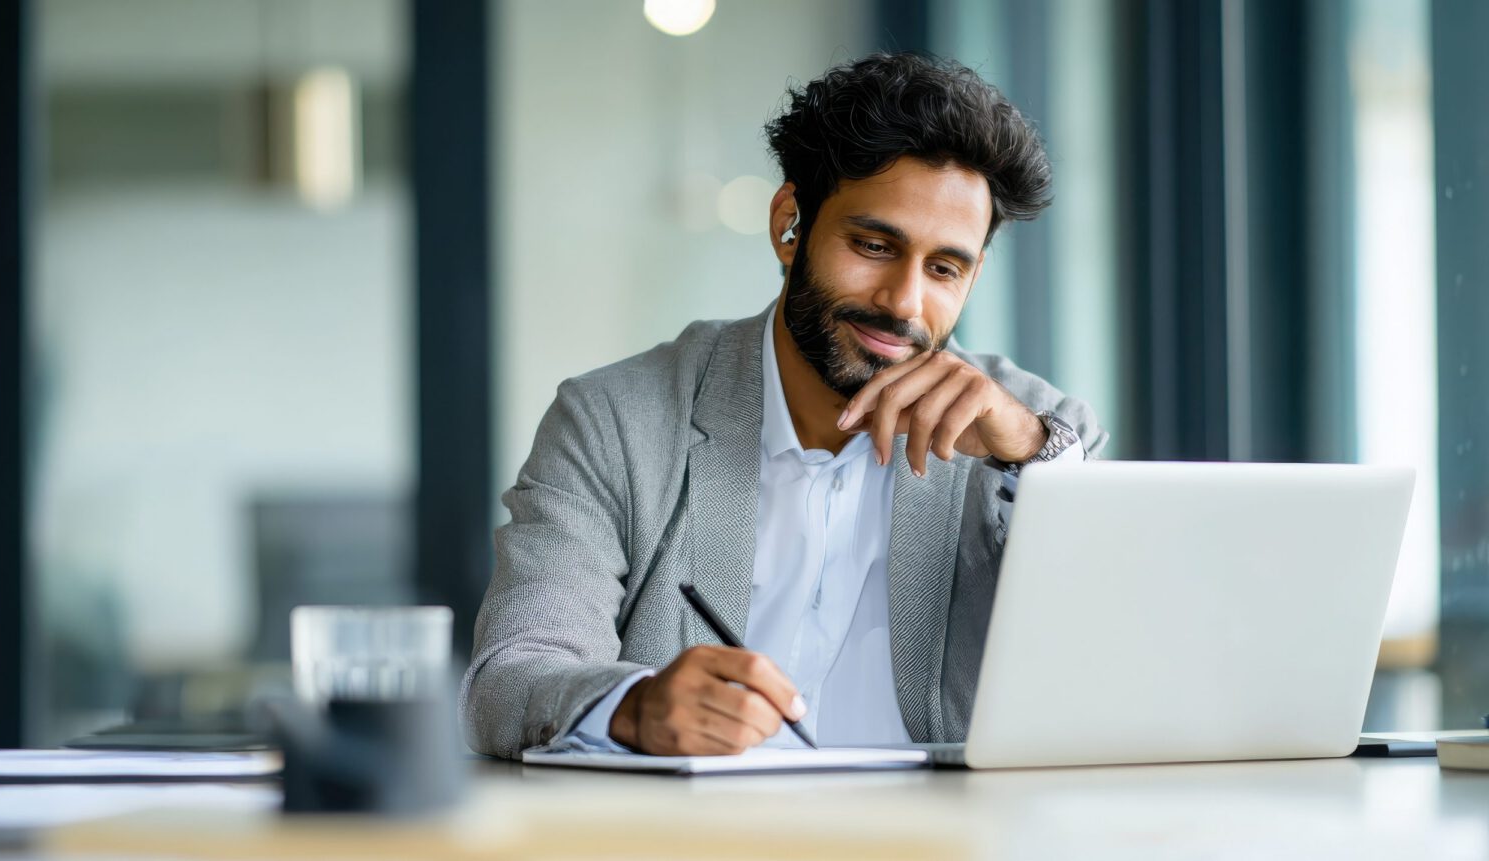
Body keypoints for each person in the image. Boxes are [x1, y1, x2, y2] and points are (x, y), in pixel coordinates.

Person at [463, 52, 1107, 759]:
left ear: (974, 276)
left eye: (944, 268)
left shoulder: (1036, 433)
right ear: (788, 224)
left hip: (940, 821)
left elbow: (1117, 667)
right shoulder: (615, 420)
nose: (904, 301)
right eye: (874, 245)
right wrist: (635, 707)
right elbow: (510, 675)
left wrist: (1036, 461)